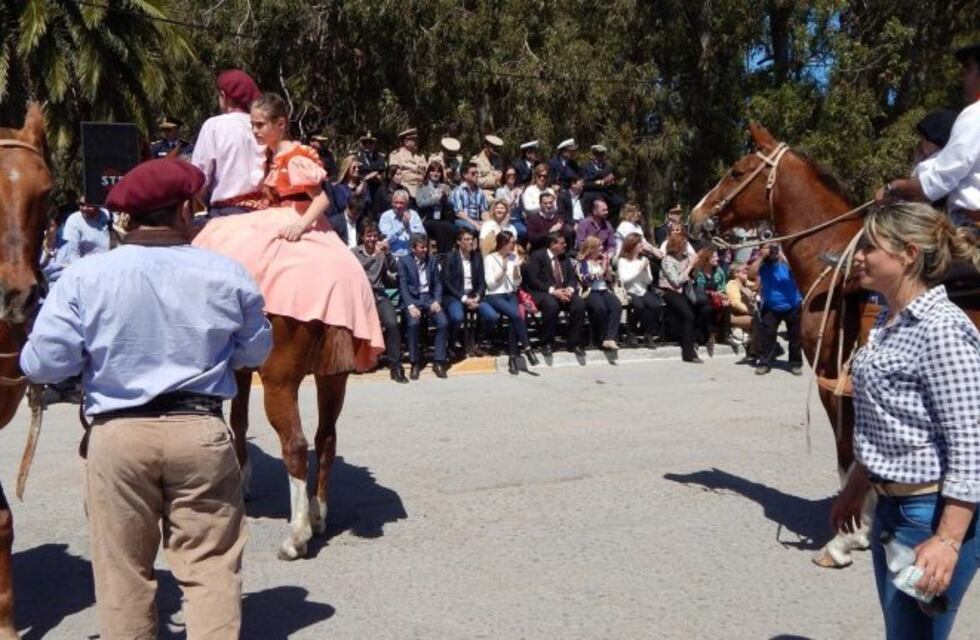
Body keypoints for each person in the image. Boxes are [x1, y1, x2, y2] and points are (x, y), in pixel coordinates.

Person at [20, 158, 273, 639]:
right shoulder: (228, 273)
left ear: (128, 217)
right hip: (200, 432)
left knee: (124, 574)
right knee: (210, 566)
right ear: (184, 209)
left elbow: (42, 364)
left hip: (118, 436)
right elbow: (256, 351)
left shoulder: (84, 276)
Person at [830, 201, 980, 640]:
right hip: (892, 508)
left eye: (869, 247)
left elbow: (971, 442)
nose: (858, 256)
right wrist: (856, 486)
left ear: (909, 254)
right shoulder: (887, 321)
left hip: (928, 513)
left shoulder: (942, 329)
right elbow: (890, 424)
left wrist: (948, 539)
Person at [192, 92, 384, 371]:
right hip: (276, 214)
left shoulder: (294, 156)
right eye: (253, 125)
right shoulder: (274, 155)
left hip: (300, 216)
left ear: (280, 124)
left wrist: (299, 226)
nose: (254, 131)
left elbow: (322, 199)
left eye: (260, 125)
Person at [875, 42, 980, 229]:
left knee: (885, 237)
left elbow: (939, 181)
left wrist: (894, 187)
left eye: (968, 69)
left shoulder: (975, 114)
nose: (962, 76)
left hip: (968, 228)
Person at [191, 69, 265, 217]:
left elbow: (199, 178)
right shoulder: (263, 125)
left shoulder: (213, 126)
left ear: (223, 95)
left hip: (226, 212)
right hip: (265, 210)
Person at [354, 222, 405, 383]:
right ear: (362, 237)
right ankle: (359, 360)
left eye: (375, 236)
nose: (372, 239)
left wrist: (388, 253)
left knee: (392, 324)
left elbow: (394, 269)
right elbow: (356, 271)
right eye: (369, 235)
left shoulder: (381, 253)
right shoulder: (354, 253)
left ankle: (395, 366)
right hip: (361, 297)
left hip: (379, 295)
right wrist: (373, 257)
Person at [484, 230, 539, 374]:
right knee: (516, 316)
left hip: (510, 294)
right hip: (495, 295)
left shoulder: (514, 258)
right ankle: (527, 348)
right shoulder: (490, 259)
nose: (514, 245)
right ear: (503, 243)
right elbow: (491, 284)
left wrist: (515, 268)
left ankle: (512, 358)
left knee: (514, 321)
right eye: (512, 243)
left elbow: (516, 283)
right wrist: (503, 268)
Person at [524, 232, 586, 357]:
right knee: (551, 305)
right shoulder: (538, 256)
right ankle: (546, 343)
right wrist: (553, 291)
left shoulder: (564, 257)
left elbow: (572, 278)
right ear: (553, 244)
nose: (565, 245)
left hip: (562, 291)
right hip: (543, 292)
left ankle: (573, 343)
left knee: (579, 304)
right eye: (562, 243)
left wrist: (569, 289)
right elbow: (533, 279)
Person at [398, 233, 449, 379]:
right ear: (413, 248)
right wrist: (410, 306)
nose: (425, 250)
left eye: (426, 247)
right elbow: (403, 286)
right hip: (413, 299)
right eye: (422, 247)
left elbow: (438, 283)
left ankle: (438, 361)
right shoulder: (404, 261)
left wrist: (437, 300)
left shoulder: (432, 261)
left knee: (443, 323)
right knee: (413, 324)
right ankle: (414, 362)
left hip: (429, 298)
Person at [441, 228, 498, 357]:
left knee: (492, 316)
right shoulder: (450, 257)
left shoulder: (477, 257)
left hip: (473, 296)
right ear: (459, 242)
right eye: (466, 239)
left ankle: (478, 341)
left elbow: (482, 281)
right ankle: (451, 343)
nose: (471, 242)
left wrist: (478, 296)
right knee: (457, 317)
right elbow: (447, 283)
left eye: (472, 239)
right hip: (455, 296)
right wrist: (464, 299)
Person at [749, 243, 803, 375]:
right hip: (771, 307)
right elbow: (751, 274)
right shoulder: (763, 265)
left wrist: (782, 255)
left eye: (773, 248)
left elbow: (798, 270)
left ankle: (795, 364)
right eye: (768, 248)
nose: (771, 251)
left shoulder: (786, 263)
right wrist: (762, 256)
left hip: (792, 305)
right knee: (767, 336)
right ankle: (765, 363)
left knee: (795, 337)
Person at [660, 232, 702, 363]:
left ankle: (696, 339)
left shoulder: (685, 258)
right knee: (688, 316)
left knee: (703, 306)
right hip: (670, 291)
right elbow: (676, 281)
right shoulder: (667, 260)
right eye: (684, 245)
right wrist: (689, 267)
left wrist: (695, 264)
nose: (686, 247)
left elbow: (693, 274)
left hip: (685, 291)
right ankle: (688, 353)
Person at [617, 233, 663, 347]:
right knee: (639, 306)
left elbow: (648, 281)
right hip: (629, 290)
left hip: (642, 290)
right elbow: (624, 279)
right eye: (639, 244)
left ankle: (649, 333)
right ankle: (631, 332)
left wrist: (646, 270)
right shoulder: (623, 260)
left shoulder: (643, 259)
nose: (642, 246)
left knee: (656, 305)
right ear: (632, 245)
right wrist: (640, 268)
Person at [577, 236, 622, 351]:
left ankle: (610, 338)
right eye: (599, 246)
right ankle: (602, 337)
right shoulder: (582, 263)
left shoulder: (602, 261)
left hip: (604, 290)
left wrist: (607, 270)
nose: (602, 248)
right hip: (590, 291)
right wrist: (602, 270)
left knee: (616, 305)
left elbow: (610, 280)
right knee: (600, 308)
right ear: (591, 249)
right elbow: (586, 280)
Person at [414, 160, 455, 253]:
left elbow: (451, 204)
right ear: (429, 172)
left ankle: (447, 255)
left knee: (448, 227)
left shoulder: (445, 187)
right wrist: (436, 200)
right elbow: (420, 203)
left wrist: (445, 198)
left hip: (442, 218)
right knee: (440, 227)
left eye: (438, 171)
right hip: (428, 218)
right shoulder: (421, 186)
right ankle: (442, 255)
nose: (435, 174)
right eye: (433, 171)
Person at [725, 261, 759, 360]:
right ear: (736, 273)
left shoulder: (746, 283)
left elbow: (756, 286)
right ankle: (752, 351)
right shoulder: (732, 284)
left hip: (747, 314)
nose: (747, 272)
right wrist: (751, 311)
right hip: (735, 316)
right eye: (744, 270)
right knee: (756, 321)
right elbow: (735, 303)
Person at [62, 198, 111, 265]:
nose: (85, 208)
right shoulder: (74, 220)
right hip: (89, 266)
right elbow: (72, 255)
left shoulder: (108, 215)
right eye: (82, 204)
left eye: (89, 205)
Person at [378, 189, 426, 258]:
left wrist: (408, 227)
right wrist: (403, 227)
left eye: (401, 203)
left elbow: (421, 237)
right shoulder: (386, 216)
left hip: (411, 255)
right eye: (396, 202)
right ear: (392, 203)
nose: (398, 206)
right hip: (393, 256)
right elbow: (387, 239)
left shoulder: (414, 215)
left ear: (407, 204)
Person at [581, 144, 623, 215]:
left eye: (601, 155)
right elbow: (585, 184)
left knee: (619, 201)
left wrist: (612, 181)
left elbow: (613, 180)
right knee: (598, 201)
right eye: (596, 155)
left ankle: (607, 218)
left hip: (605, 192)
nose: (599, 158)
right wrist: (603, 182)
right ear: (592, 156)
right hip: (592, 192)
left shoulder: (607, 167)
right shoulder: (585, 167)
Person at [388, 128, 428, 200]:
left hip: (422, 190)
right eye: (414, 140)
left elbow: (426, 173)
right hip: (405, 190)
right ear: (406, 142)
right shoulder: (396, 155)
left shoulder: (421, 156)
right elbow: (393, 176)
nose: (417, 142)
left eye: (417, 140)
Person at [329, 154, 372, 220]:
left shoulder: (363, 185)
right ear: (347, 169)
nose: (357, 169)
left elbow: (368, 203)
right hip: (343, 221)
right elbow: (341, 205)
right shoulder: (338, 187)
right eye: (354, 167)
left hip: (361, 221)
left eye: (358, 167)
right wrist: (356, 194)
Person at [450, 162, 489, 232]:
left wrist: (488, 223)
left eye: (477, 173)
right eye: (473, 173)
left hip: (476, 221)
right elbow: (459, 213)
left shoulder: (480, 192)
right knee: (472, 227)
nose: (476, 175)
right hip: (462, 220)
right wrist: (475, 224)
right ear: (465, 175)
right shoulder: (458, 191)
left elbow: (484, 211)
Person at [494, 166, 527, 243]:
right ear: (505, 177)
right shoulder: (500, 191)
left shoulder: (519, 190)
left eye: (514, 175)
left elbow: (522, 208)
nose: (512, 177)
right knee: (522, 231)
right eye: (509, 175)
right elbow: (500, 208)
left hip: (518, 218)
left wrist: (522, 196)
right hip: (505, 219)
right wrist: (513, 198)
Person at [355, 131, 386, 202]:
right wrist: (366, 178)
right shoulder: (356, 157)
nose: (367, 144)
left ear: (374, 144)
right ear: (360, 143)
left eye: (370, 142)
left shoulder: (380, 157)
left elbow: (383, 173)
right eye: (364, 142)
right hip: (361, 190)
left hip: (376, 190)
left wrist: (379, 177)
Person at [470, 134, 504, 200]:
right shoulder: (476, 160)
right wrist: (494, 180)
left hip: (499, 190)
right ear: (486, 146)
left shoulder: (498, 159)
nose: (495, 150)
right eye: (493, 147)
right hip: (484, 192)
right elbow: (475, 181)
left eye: (496, 147)